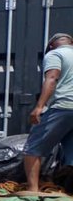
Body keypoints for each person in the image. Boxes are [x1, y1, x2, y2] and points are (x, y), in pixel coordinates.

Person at [24, 32, 73, 192]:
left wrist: (39, 107)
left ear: (51, 45)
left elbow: (52, 78)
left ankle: (32, 191)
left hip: (63, 106)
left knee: (32, 148)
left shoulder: (55, 54)